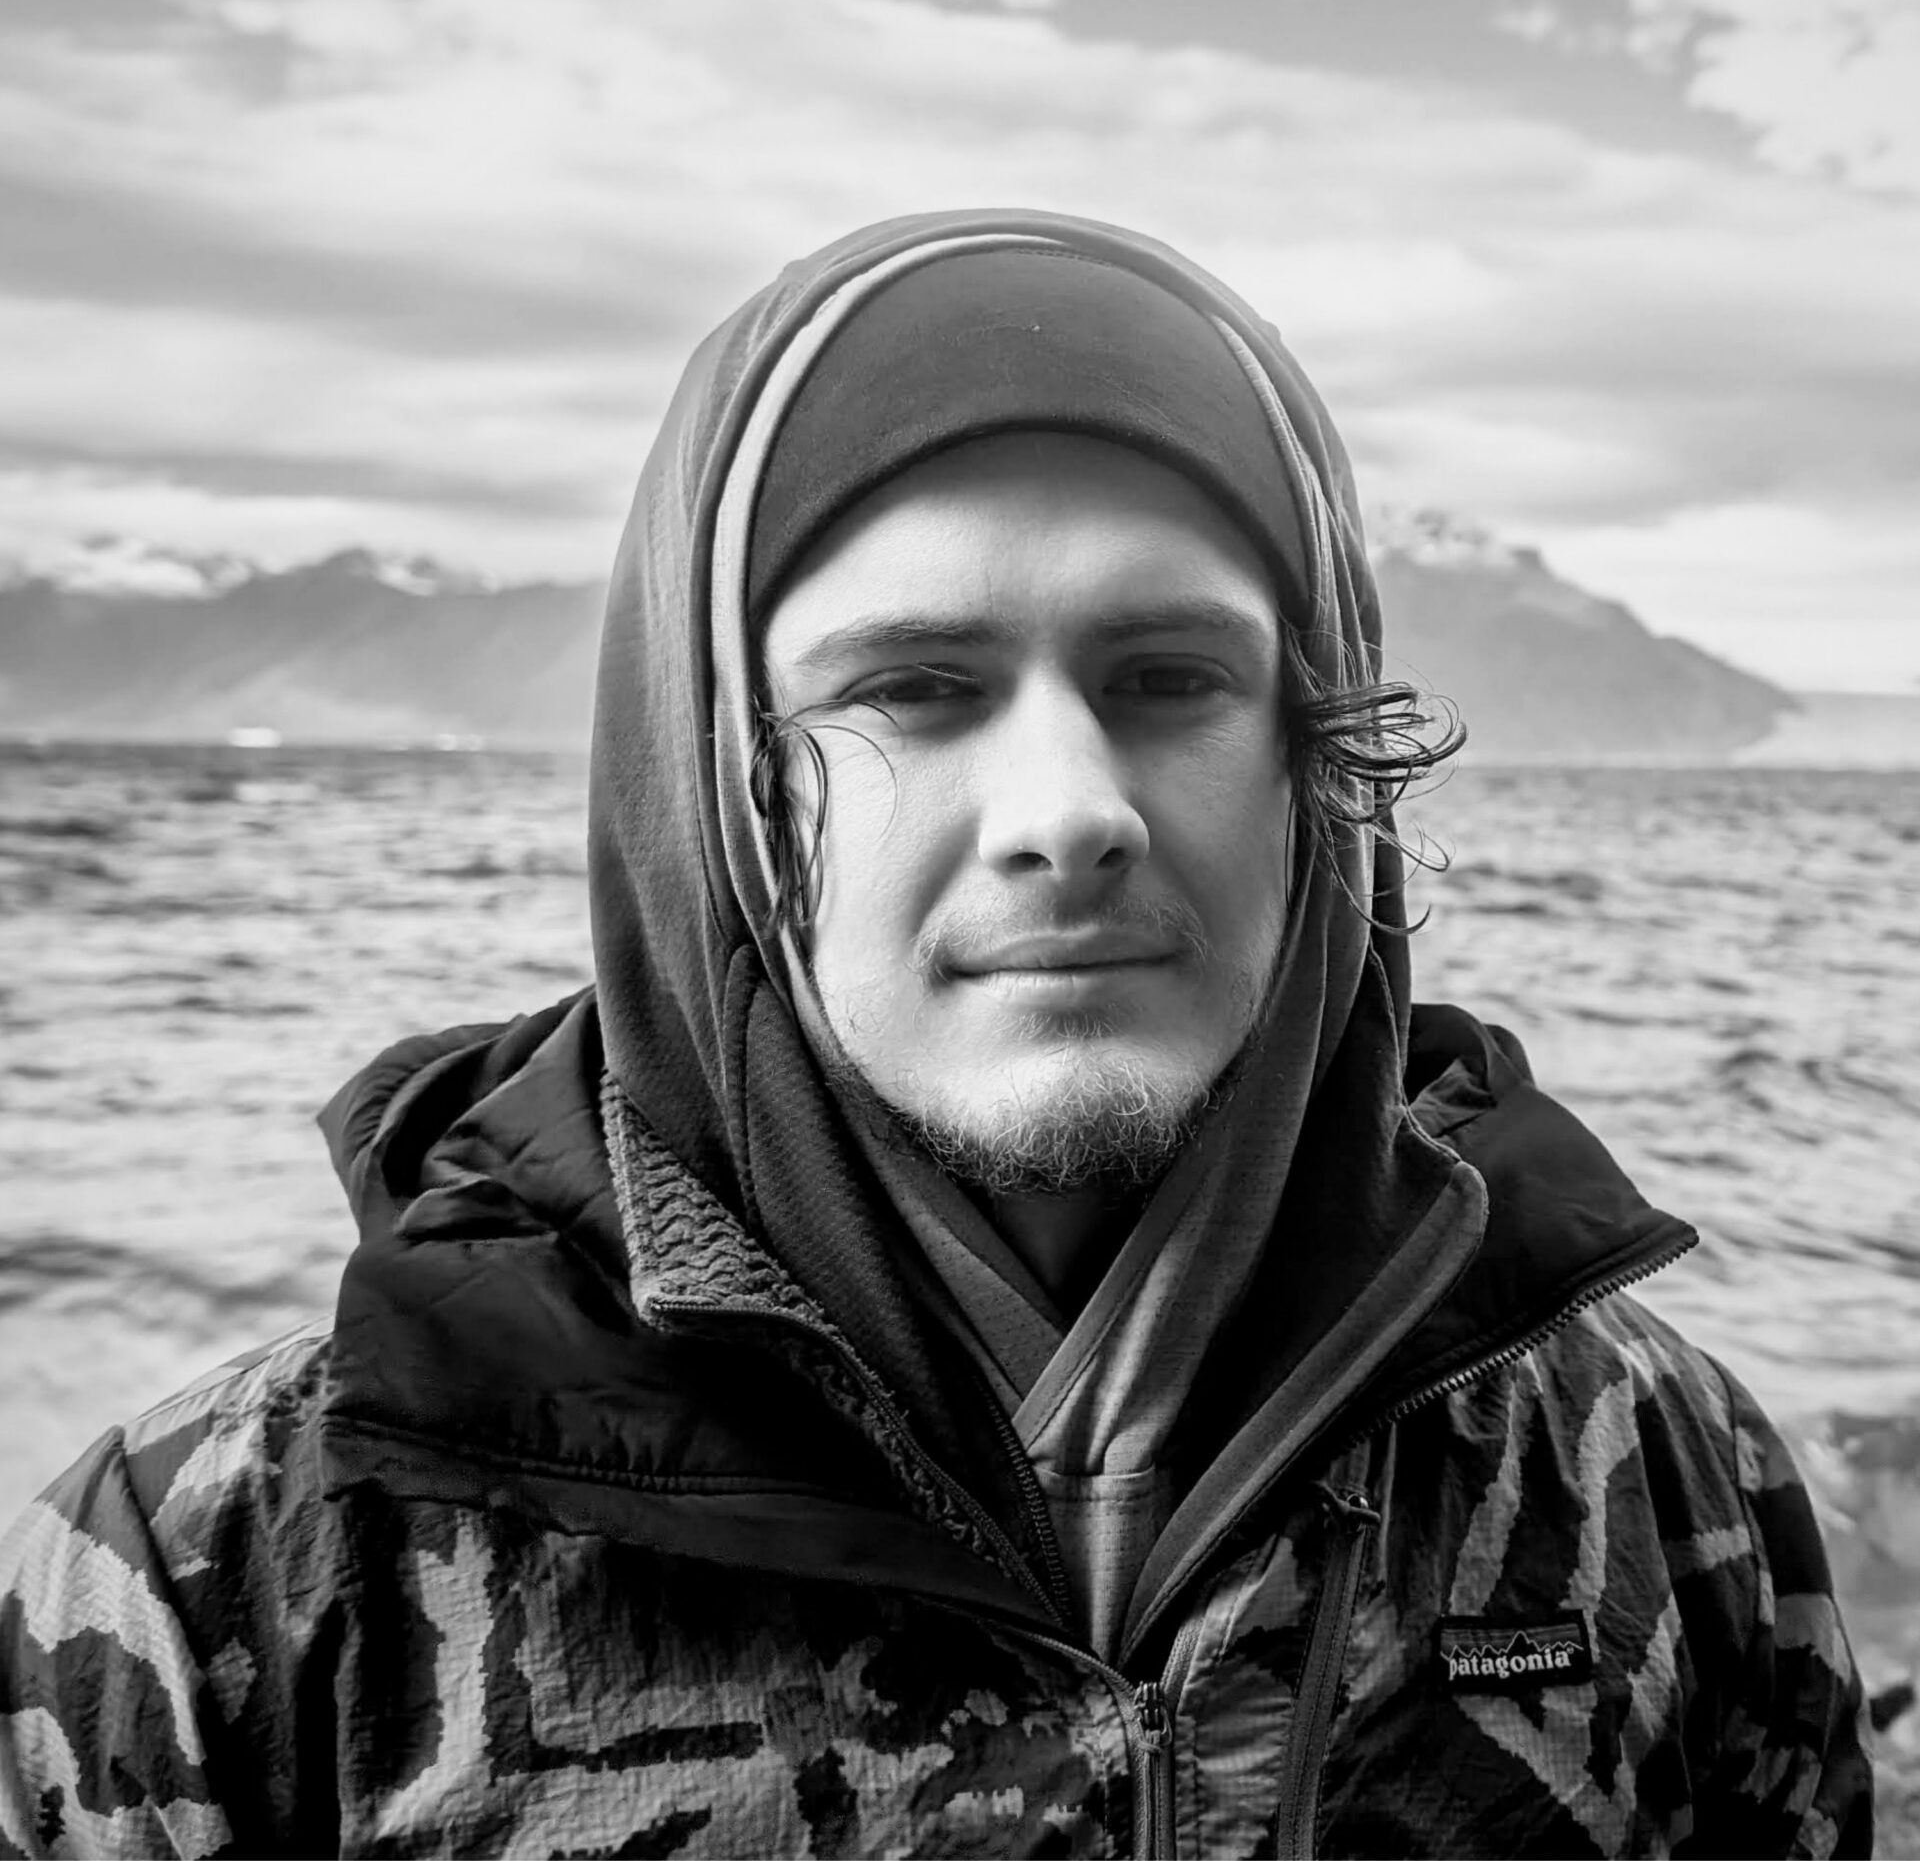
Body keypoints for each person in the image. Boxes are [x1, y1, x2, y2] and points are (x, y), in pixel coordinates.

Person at [0, 210, 1872, 1859]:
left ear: (1320, 765)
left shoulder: (1654, 1471)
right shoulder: (221, 1579)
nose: (1071, 809)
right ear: (720, 794)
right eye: (913, 687)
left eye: (1172, 678)